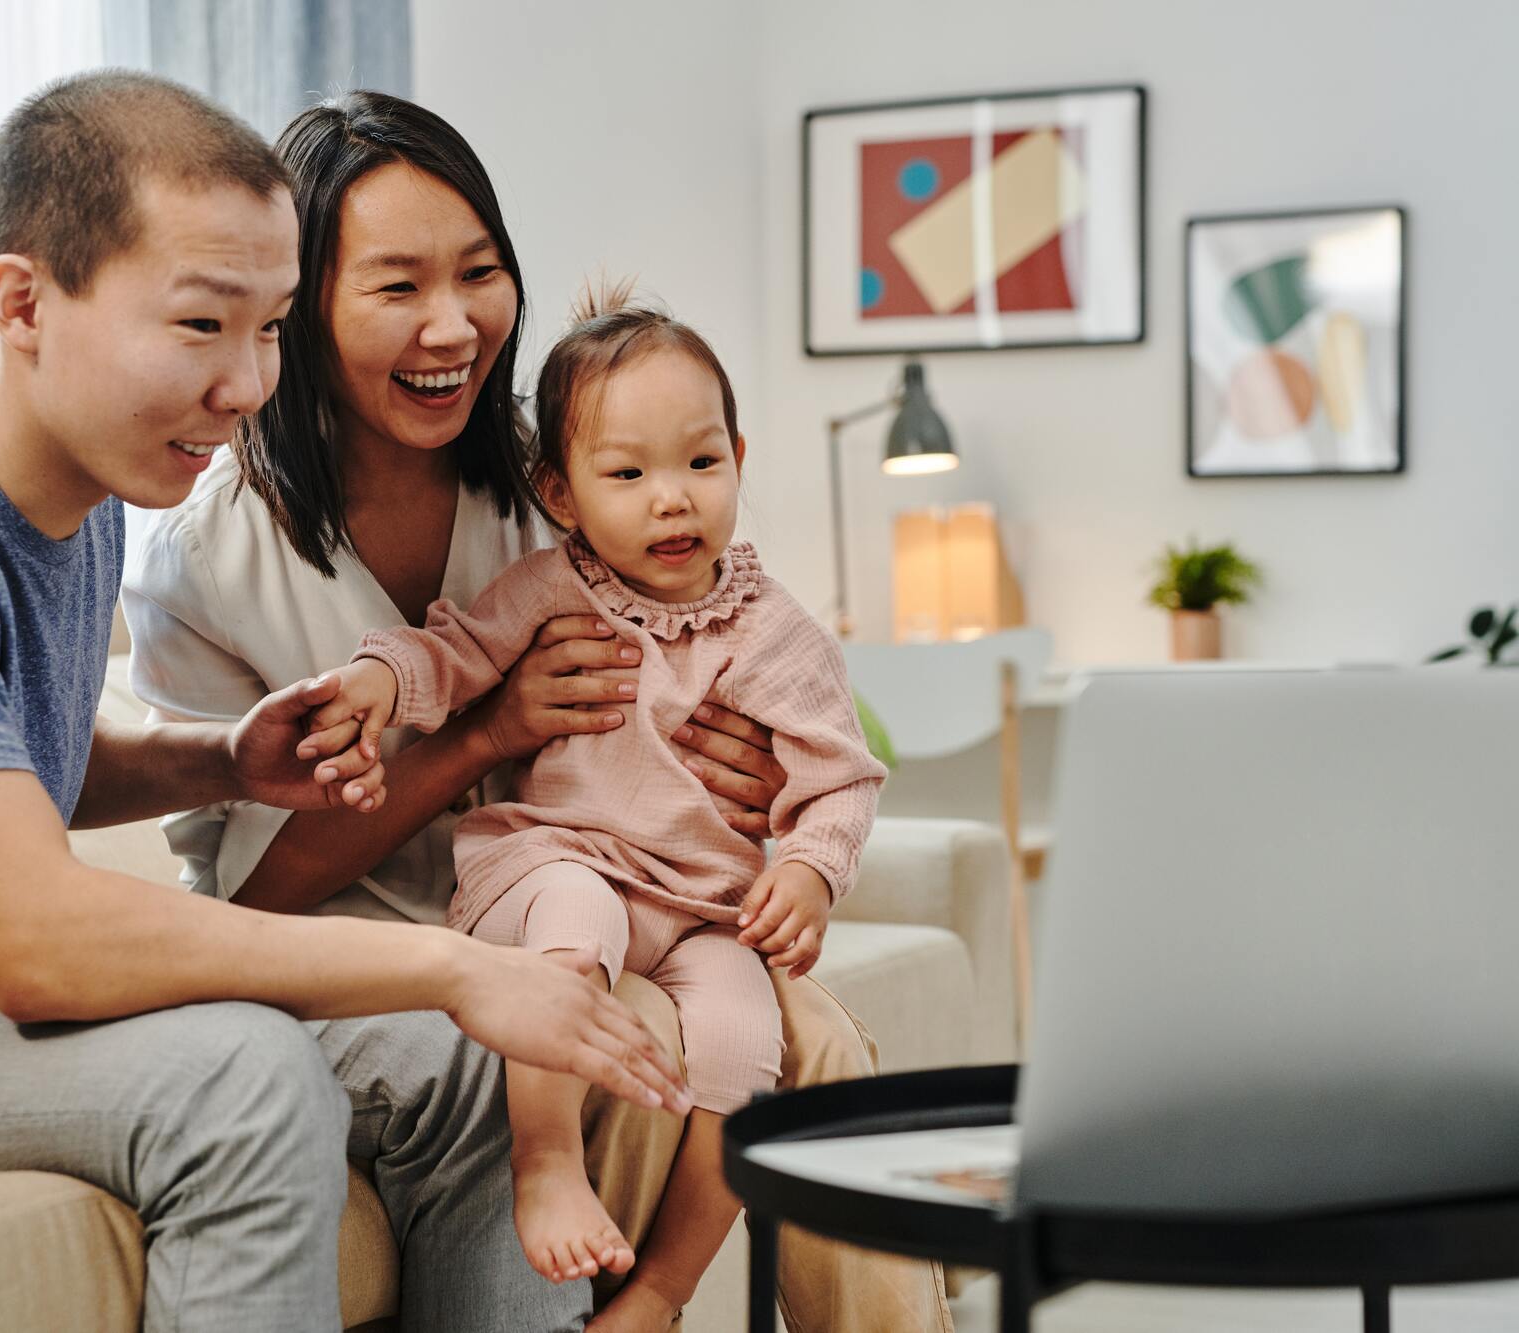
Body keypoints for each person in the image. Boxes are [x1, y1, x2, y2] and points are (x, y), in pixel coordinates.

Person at [0, 70, 686, 1333]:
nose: (246, 384)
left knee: (472, 1072)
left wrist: (219, 760)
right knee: (242, 1075)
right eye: (200, 326)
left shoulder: (85, 493)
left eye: (271, 326)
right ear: (21, 302)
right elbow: (41, 943)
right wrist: (449, 964)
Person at [124, 90, 953, 1332]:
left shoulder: (565, 472)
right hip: (382, 959)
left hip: (628, 896)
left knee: (813, 1042)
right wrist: (483, 731)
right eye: (396, 285)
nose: (452, 324)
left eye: (480, 272)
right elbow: (256, 907)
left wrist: (739, 785)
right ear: (299, 304)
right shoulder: (213, 563)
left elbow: (732, 665)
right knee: (602, 1021)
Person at [308, 282, 888, 1329]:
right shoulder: (547, 589)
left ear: (738, 460)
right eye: (627, 474)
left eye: (700, 463)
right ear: (562, 493)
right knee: (580, 920)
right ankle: (541, 1164)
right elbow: (449, 653)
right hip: (551, 867)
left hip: (703, 908)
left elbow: (837, 776)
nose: (672, 500)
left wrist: (806, 867)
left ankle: (661, 1286)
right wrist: (378, 683)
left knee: (745, 1049)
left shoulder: (775, 632)